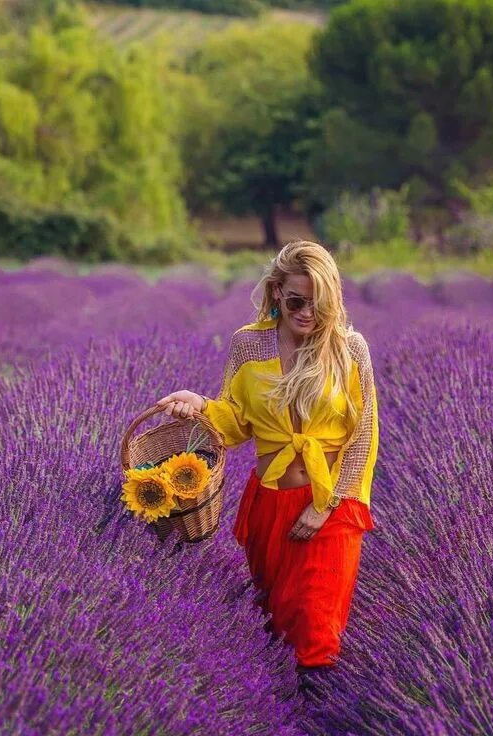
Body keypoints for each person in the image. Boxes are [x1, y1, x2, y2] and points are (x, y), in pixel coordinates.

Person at [155, 240, 379, 695]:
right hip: (270, 504)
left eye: (318, 303)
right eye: (295, 300)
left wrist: (328, 504)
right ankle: (284, 713)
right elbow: (234, 421)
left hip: (331, 504)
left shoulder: (350, 350)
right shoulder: (248, 343)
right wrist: (198, 406)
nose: (306, 314)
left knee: (316, 626)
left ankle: (320, 712)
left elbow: (364, 435)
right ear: (277, 292)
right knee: (275, 618)